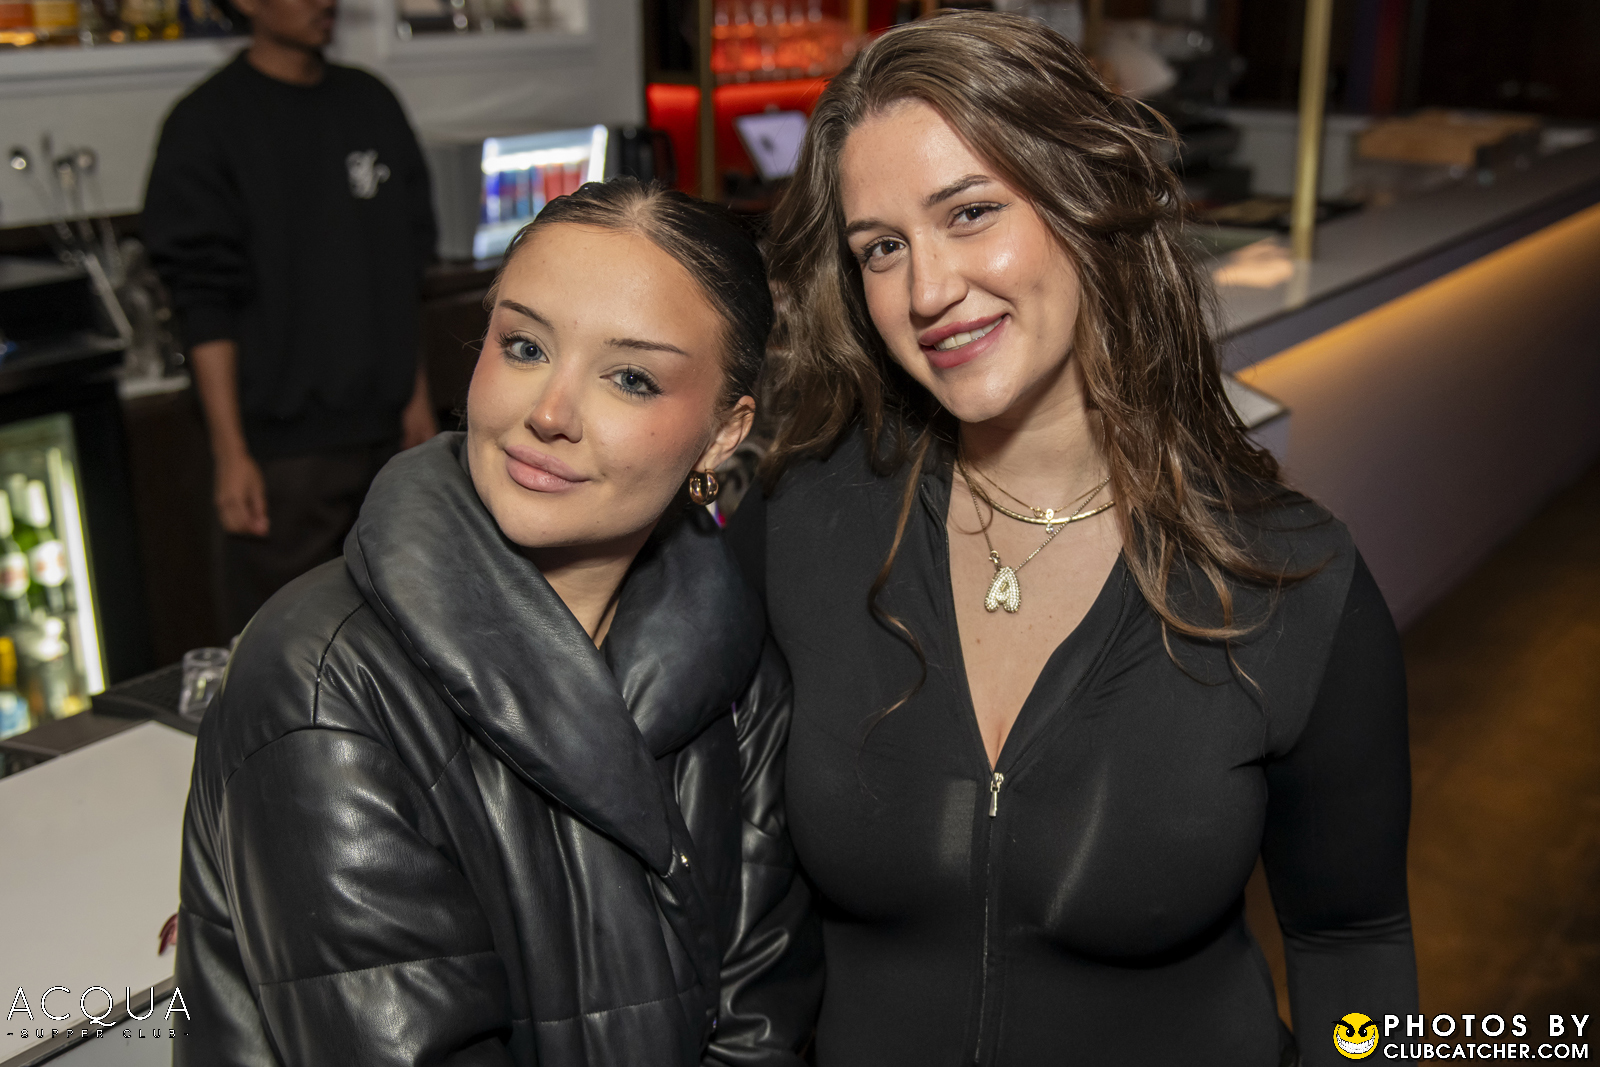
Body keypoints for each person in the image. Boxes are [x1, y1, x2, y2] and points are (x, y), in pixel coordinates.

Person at [728, 13, 1418, 1066]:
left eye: (970, 212)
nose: (926, 290)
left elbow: (1352, 938)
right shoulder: (801, 524)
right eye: (882, 248)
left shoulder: (1289, 576)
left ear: (1083, 199)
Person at [174, 180, 822, 1066]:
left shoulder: (739, 666)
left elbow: (762, 1028)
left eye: (630, 377)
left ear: (722, 432)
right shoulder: (319, 684)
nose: (548, 413)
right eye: (524, 346)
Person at [143, 0, 439, 636]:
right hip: (283, 458)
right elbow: (204, 301)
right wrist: (231, 453)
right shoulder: (206, 123)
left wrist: (416, 400)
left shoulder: (371, 102)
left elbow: (404, 269)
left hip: (387, 441)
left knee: (404, 642)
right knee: (286, 648)